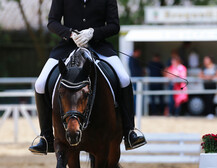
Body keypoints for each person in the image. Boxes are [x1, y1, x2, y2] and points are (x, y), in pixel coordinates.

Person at [29, 0, 146, 154]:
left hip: (98, 46)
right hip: (68, 46)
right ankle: (46, 138)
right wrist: (70, 34)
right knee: (40, 83)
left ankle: (129, 132)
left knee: (124, 79)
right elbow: (52, 22)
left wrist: (93, 33)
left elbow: (114, 25)